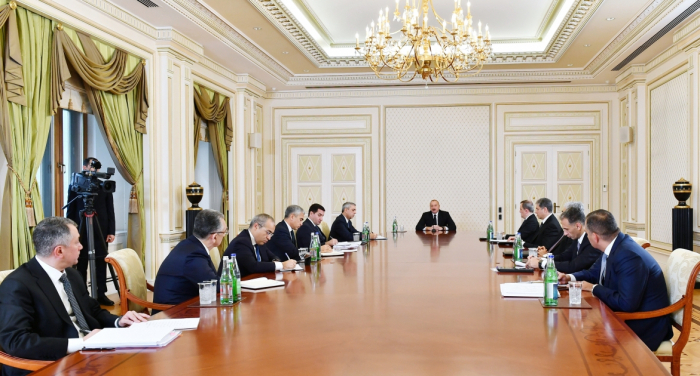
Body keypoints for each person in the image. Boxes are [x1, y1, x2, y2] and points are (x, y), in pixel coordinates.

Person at [0, 217, 148, 376]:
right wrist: (81, 343)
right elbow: (17, 342)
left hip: (91, 355)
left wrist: (119, 321)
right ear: (59, 251)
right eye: (77, 242)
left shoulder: (71, 274)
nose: (81, 246)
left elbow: (93, 310)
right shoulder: (17, 285)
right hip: (51, 363)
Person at [558, 210, 673, 351]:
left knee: (578, 339)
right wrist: (570, 277)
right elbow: (593, 273)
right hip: (624, 315)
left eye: (587, 234)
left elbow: (626, 304)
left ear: (594, 237)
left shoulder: (628, 256)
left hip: (644, 326)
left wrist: (593, 288)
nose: (587, 237)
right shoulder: (615, 245)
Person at [65, 157, 116, 306]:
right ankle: (83, 295)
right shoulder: (75, 186)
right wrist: (70, 231)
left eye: (96, 168)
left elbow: (110, 210)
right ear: (84, 167)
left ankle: (101, 294)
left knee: (101, 261)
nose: (94, 170)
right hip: (81, 229)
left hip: (101, 229)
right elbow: (71, 210)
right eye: (91, 167)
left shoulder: (103, 186)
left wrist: (111, 231)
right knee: (81, 263)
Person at [153, 209, 225, 308]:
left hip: (186, 305)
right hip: (172, 313)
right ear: (215, 237)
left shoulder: (190, 245)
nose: (225, 235)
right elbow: (215, 287)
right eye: (224, 232)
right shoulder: (194, 256)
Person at [526, 202, 602, 273]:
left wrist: (542, 263)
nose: (565, 234)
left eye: (566, 229)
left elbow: (573, 266)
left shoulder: (591, 242)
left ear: (578, 226)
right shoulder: (577, 238)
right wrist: (541, 259)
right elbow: (563, 257)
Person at [221, 214, 297, 277]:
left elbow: (273, 256)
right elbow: (253, 266)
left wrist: (275, 261)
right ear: (256, 226)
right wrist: (282, 265)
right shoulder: (241, 241)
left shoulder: (260, 242)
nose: (269, 238)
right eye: (268, 232)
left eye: (271, 234)